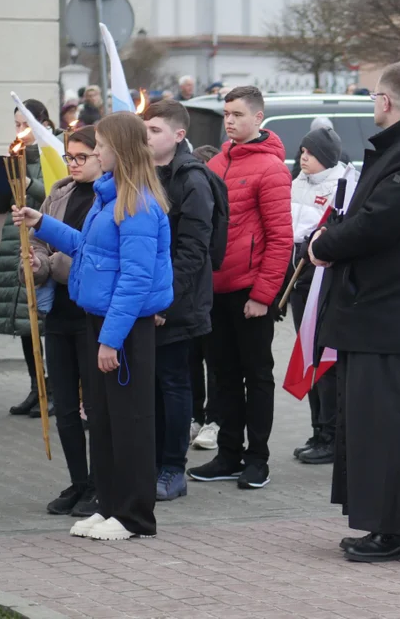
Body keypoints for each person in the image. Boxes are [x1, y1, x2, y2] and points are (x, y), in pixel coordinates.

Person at [309, 60, 400, 562]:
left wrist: (324, 244)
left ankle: (396, 529)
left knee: (389, 427)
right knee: (373, 424)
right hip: (376, 311)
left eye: (374, 98)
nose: (373, 106)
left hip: (390, 312)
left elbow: (377, 224)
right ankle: (385, 524)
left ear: (387, 101)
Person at [13, 112, 173, 540]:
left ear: (117, 150)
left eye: (100, 146)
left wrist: (110, 339)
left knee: (130, 422)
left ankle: (135, 516)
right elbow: (88, 247)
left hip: (123, 327)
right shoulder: (112, 196)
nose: (94, 152)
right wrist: (40, 222)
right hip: (102, 320)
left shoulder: (137, 202)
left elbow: (136, 279)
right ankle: (109, 506)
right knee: (102, 421)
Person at [187, 87, 293, 490]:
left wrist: (263, 296)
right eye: (226, 114)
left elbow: (281, 239)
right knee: (223, 376)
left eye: (237, 114)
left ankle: (258, 459)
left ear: (258, 118)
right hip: (215, 290)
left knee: (256, 375)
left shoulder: (272, 169)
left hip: (250, 292)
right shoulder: (216, 162)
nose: (229, 121)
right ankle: (228, 453)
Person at [23, 126, 102, 517]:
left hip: (92, 315)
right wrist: (36, 263)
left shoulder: (109, 196)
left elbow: (89, 252)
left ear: (101, 156)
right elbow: (40, 243)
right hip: (60, 312)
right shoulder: (59, 192)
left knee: (97, 405)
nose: (72, 163)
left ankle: (102, 484)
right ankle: (79, 479)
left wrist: (53, 263)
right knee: (66, 405)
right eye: (69, 156)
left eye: (81, 156)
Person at [143, 100, 215, 501]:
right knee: (152, 386)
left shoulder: (192, 180)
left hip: (177, 304)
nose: (147, 137)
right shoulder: (146, 174)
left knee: (173, 384)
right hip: (150, 301)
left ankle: (173, 469)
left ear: (179, 135)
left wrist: (163, 303)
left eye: (155, 131)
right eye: (145, 130)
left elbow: (192, 251)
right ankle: (152, 463)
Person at [289, 125, 346, 466]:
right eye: (302, 152)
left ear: (326, 156)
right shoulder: (296, 184)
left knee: (325, 359)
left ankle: (332, 432)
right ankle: (317, 428)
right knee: (307, 354)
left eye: (309, 153)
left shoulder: (341, 188)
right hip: (298, 282)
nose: (303, 158)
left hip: (322, 282)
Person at [0, 100, 51, 418]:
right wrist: (1, 177)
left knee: (46, 324)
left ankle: (56, 389)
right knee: (26, 326)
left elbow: (58, 191)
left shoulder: (53, 150)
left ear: (42, 122)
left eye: (25, 125)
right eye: (16, 125)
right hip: (16, 240)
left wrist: (30, 184)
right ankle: (36, 386)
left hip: (44, 245)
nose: (20, 131)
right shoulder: (18, 153)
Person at [189, 143, 222, 450]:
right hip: (191, 291)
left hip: (216, 290)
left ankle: (214, 420)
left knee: (214, 360)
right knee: (190, 358)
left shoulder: (216, 197)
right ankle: (194, 415)